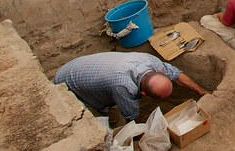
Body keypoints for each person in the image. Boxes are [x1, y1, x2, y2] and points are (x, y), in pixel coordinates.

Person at [53, 52, 209, 122]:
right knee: (99, 119)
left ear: (160, 72)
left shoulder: (149, 61)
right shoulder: (123, 87)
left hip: (81, 67)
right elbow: (131, 117)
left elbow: (176, 75)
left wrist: (202, 92)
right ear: (142, 93)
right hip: (67, 86)